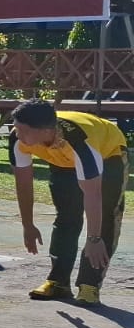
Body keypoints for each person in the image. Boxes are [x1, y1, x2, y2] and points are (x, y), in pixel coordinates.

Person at [9, 100, 126, 305]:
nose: (16, 133)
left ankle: (89, 285)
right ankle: (58, 282)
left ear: (45, 131)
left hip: (109, 155)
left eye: (22, 130)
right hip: (61, 160)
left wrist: (94, 238)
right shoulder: (17, 139)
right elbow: (24, 184)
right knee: (67, 216)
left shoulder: (81, 143)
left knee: (105, 217)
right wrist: (28, 225)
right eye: (15, 127)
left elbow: (93, 195)